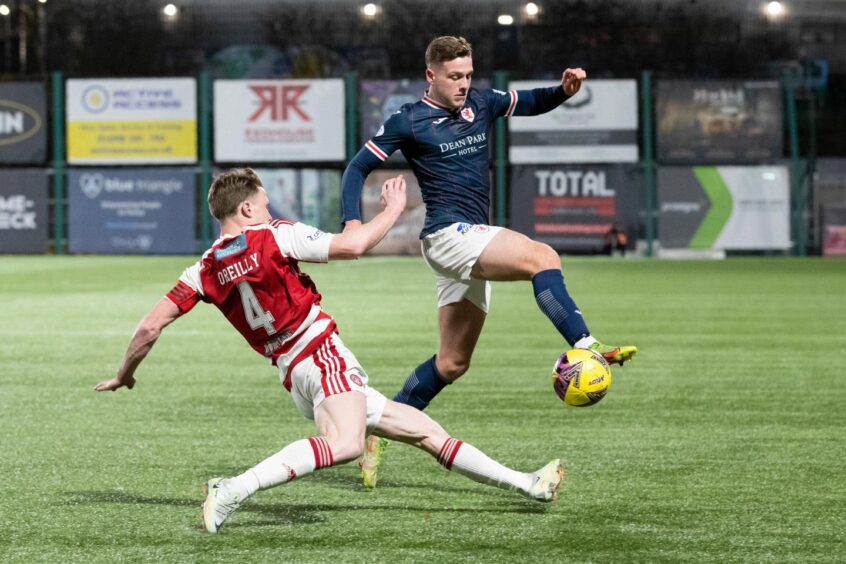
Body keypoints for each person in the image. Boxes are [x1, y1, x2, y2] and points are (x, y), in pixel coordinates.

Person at [94, 168, 564, 533]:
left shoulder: (201, 270)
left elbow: (149, 328)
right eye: (263, 202)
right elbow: (353, 245)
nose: (269, 207)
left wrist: (124, 373)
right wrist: (393, 210)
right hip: (320, 355)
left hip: (294, 373)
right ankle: (234, 488)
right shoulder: (274, 234)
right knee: (347, 445)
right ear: (247, 209)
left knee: (424, 431)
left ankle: (529, 484)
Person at [341, 36, 637, 486]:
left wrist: (562, 92)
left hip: (467, 240)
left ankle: (375, 431)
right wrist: (350, 223)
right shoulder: (408, 120)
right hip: (447, 236)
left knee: (451, 363)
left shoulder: (479, 102)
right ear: (431, 75)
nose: (463, 84)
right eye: (454, 76)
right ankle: (585, 343)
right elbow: (356, 168)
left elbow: (530, 102)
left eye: (468, 75)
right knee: (543, 256)